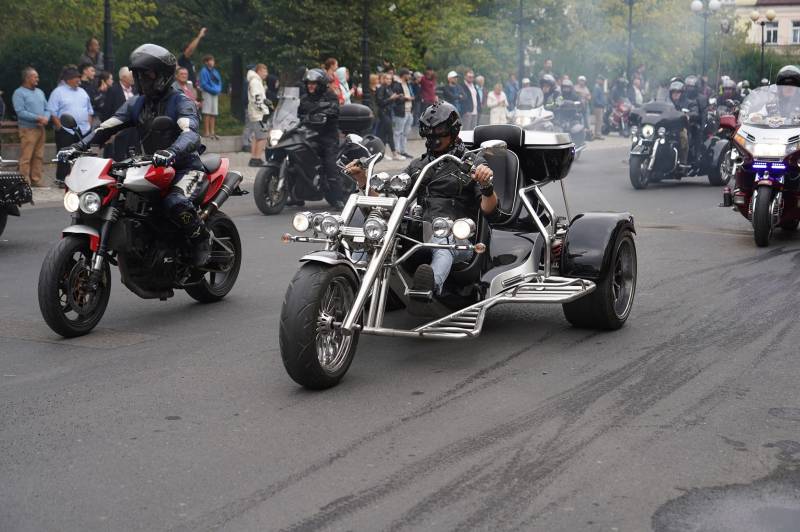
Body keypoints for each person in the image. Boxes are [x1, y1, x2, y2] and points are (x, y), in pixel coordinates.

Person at [57, 44, 211, 266]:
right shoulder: (136, 103)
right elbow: (106, 128)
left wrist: (172, 151)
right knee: (123, 199)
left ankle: (200, 239)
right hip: (149, 167)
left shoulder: (181, 102)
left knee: (175, 202)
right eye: (137, 74)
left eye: (147, 74)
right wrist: (78, 146)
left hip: (184, 168)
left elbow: (191, 134)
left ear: (163, 75)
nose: (141, 79)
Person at [345, 101, 497, 297]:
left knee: (442, 240)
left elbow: (490, 209)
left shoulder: (472, 163)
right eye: (429, 131)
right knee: (374, 230)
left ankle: (430, 286)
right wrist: (361, 178)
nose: (433, 137)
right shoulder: (418, 165)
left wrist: (486, 185)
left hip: (458, 239)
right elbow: (387, 203)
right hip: (418, 235)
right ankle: (351, 281)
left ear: (453, 131)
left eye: (439, 131)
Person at [297, 68, 344, 209]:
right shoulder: (304, 98)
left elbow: (335, 109)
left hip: (327, 136)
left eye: (314, 83)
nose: (310, 86)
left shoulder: (329, 96)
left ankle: (338, 198)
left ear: (320, 84)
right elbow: (295, 113)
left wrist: (327, 112)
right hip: (308, 135)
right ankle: (295, 196)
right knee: (295, 159)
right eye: (309, 83)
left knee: (330, 164)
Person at [48, 67, 93, 185]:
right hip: (65, 130)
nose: (79, 79)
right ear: (68, 79)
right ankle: (62, 179)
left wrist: (88, 125)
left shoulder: (83, 92)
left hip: (83, 130)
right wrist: (60, 127)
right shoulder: (58, 92)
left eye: (79, 77)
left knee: (83, 156)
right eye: (76, 77)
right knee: (64, 156)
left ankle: (82, 180)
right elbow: (53, 112)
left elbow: (89, 110)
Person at [12, 67, 50, 187]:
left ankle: (36, 179)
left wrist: (46, 118)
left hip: (41, 128)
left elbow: (47, 108)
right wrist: (38, 118)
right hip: (28, 129)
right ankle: (24, 181)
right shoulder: (19, 93)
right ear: (27, 78)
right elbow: (20, 111)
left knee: (39, 156)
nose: (37, 79)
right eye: (35, 77)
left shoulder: (40, 92)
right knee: (26, 157)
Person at [245, 63, 270, 167]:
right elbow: (257, 98)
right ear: (259, 71)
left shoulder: (255, 80)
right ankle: (257, 158)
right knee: (263, 137)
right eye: (264, 71)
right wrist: (264, 110)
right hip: (259, 114)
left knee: (256, 136)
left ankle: (253, 158)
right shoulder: (255, 81)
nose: (266, 73)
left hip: (255, 113)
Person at [668, 80, 694, 166]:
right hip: (667, 127)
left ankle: (683, 162)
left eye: (678, 92)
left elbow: (694, 112)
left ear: (682, 93)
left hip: (681, 128)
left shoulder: (688, 103)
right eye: (673, 92)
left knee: (683, 137)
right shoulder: (667, 102)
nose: (675, 94)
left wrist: (688, 115)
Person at [391, 68, 415, 159]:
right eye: (408, 74)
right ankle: (397, 151)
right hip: (401, 111)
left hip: (409, 111)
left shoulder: (408, 84)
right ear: (404, 75)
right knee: (398, 132)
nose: (409, 76)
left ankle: (403, 151)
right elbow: (395, 98)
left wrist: (410, 98)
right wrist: (406, 98)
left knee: (405, 132)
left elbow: (411, 95)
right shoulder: (397, 85)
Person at [684, 75, 707, 162]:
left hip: (695, 122)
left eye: (692, 87)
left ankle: (697, 156)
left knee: (697, 132)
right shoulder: (683, 96)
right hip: (682, 121)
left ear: (696, 87)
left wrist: (702, 127)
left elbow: (703, 114)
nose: (689, 88)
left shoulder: (702, 98)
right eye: (688, 86)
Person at [198, 55, 222, 139]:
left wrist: (218, 90)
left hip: (215, 93)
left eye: (213, 60)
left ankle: (212, 132)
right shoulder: (203, 71)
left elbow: (219, 82)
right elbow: (203, 84)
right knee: (207, 112)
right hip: (207, 93)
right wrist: (213, 90)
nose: (212, 62)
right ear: (206, 62)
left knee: (213, 113)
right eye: (210, 60)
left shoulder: (215, 71)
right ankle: (206, 132)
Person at [376, 72, 398, 160]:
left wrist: (395, 98)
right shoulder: (381, 88)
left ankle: (382, 153)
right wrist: (391, 98)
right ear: (383, 79)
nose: (389, 80)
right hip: (383, 113)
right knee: (389, 133)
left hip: (388, 112)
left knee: (384, 133)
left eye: (390, 79)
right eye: (387, 79)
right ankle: (394, 153)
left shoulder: (388, 88)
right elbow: (380, 102)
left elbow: (389, 101)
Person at [592, 75, 606, 139]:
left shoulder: (599, 87)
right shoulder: (597, 87)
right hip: (598, 106)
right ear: (598, 80)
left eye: (603, 80)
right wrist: (600, 104)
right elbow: (595, 98)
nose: (602, 81)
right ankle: (597, 134)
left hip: (600, 106)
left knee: (599, 120)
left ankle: (597, 134)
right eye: (601, 80)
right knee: (599, 120)